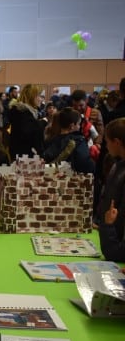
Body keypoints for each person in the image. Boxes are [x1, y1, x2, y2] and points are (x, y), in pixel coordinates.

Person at [97, 117, 125, 262]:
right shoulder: (117, 165)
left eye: (107, 142)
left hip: (116, 244)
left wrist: (108, 226)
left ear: (117, 142)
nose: (106, 146)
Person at [42, 107, 94, 174]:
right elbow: (86, 165)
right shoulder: (78, 141)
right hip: (71, 177)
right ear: (72, 126)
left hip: (49, 176)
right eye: (78, 124)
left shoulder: (50, 140)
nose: (79, 127)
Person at [8, 83, 48, 159]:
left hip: (23, 154)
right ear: (32, 96)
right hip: (24, 156)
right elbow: (29, 131)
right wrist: (43, 122)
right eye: (40, 96)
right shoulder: (22, 112)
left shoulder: (24, 111)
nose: (42, 99)